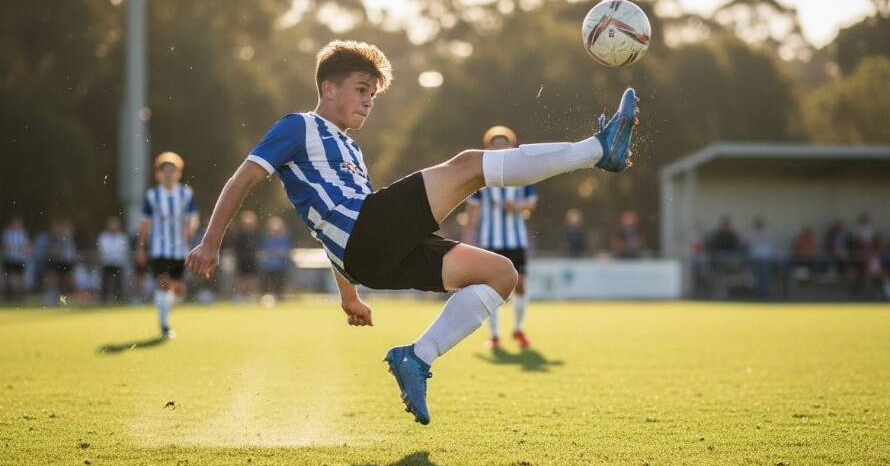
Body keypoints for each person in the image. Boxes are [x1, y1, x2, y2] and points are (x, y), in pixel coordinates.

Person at [186, 40, 640, 425]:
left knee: (501, 275)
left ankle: (417, 358)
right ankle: (597, 150)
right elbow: (243, 177)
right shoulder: (298, 126)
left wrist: (348, 295)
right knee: (467, 166)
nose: (367, 101)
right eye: (361, 90)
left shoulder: (350, 149)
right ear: (327, 87)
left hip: (368, 254)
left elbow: (333, 230)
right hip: (367, 236)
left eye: (372, 95)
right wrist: (211, 241)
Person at [465, 125, 538, 350]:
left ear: (511, 146)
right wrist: (468, 235)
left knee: (521, 285)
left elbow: (530, 204)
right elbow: (472, 209)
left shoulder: (521, 174)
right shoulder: (482, 176)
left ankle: (518, 328)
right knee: (492, 290)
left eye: (504, 144)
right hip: (490, 241)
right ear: (489, 147)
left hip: (515, 240)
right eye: (495, 145)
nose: (500, 148)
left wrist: (513, 207)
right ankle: (494, 335)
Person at [136, 152, 199, 338]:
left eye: (173, 170)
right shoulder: (152, 195)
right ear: (159, 174)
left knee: (177, 288)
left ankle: (165, 311)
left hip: (180, 249)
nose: (169, 174)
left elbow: (193, 218)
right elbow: (145, 223)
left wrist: (191, 228)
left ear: (178, 173)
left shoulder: (186, 194)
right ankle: (164, 324)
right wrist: (141, 247)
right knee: (163, 284)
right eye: (166, 170)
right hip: (159, 248)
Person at [97, 216, 129, 303]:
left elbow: (123, 250)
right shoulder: (103, 236)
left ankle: (119, 299)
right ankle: (103, 299)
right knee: (104, 282)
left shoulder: (122, 237)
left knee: (119, 283)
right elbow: (103, 249)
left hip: (118, 263)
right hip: (106, 262)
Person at [231, 210, 261, 301]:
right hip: (242, 260)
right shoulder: (239, 235)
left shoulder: (256, 234)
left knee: (252, 279)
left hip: (252, 259)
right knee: (241, 279)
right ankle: (240, 298)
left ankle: (252, 297)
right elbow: (235, 249)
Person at [259, 216, 291, 300]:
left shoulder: (283, 240)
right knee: (266, 287)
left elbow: (285, 252)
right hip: (268, 267)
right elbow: (264, 252)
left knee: (279, 287)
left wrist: (277, 252)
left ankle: (279, 299)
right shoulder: (266, 240)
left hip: (280, 267)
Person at [2, 216, 30, 302]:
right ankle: (7, 295)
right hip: (10, 258)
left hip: (20, 259)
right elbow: (5, 245)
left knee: (20, 278)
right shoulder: (7, 233)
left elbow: (27, 245)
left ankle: (20, 296)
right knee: (8, 277)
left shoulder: (23, 233)